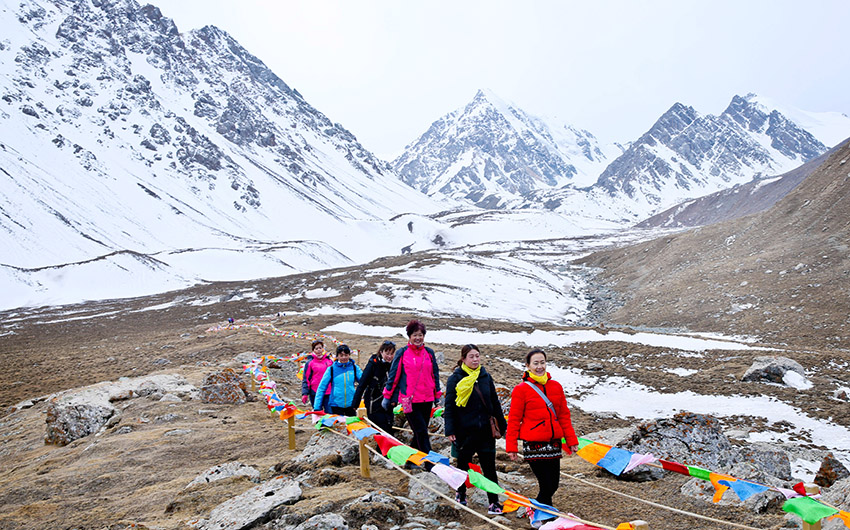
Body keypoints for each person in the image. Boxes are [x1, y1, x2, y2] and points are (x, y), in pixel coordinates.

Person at [506, 349, 579, 527]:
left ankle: (543, 513)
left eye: (542, 362)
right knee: (546, 484)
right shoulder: (521, 390)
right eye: (536, 363)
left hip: (553, 444)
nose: (540, 366)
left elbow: (564, 416)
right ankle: (539, 513)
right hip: (533, 445)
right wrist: (511, 447)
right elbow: (514, 419)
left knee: (553, 484)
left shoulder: (556, 387)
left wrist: (572, 441)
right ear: (528, 366)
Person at [444, 344, 508, 515]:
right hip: (464, 431)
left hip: (486, 431)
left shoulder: (485, 377)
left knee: (490, 469)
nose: (475, 360)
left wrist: (503, 426)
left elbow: (495, 403)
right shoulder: (455, 379)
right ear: (463, 359)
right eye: (471, 357)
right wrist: (450, 430)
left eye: (477, 356)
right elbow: (449, 406)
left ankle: (493, 503)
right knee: (463, 467)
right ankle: (461, 494)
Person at [382, 319, 442, 455]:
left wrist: (437, 393)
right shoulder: (402, 353)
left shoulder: (429, 353)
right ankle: (430, 462)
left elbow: (435, 374)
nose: (418, 338)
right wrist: (387, 396)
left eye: (420, 335)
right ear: (409, 336)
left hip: (427, 399)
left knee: (419, 431)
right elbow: (394, 376)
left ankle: (411, 459)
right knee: (420, 430)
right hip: (409, 400)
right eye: (415, 335)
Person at [352, 340, 397, 435]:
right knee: (382, 430)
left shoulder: (394, 365)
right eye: (387, 353)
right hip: (373, 402)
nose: (389, 356)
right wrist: (355, 403)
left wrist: (395, 400)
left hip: (388, 403)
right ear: (381, 352)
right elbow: (362, 384)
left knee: (388, 427)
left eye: (392, 354)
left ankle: (382, 448)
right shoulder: (373, 364)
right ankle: (381, 448)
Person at [314, 344, 363, 416]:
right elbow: (322, 388)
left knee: (352, 426)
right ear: (337, 356)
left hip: (351, 405)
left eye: (346, 355)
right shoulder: (331, 369)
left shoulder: (355, 368)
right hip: (335, 405)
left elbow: (363, 382)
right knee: (338, 426)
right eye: (341, 355)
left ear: (349, 355)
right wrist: (317, 407)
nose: (344, 357)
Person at [301, 340, 332, 409]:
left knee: (330, 414)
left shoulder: (329, 361)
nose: (319, 350)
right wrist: (305, 393)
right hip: (315, 392)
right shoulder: (310, 363)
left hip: (328, 392)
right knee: (317, 414)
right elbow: (306, 379)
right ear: (313, 350)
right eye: (316, 348)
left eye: (320, 348)